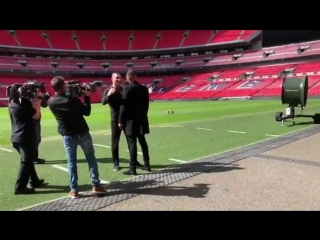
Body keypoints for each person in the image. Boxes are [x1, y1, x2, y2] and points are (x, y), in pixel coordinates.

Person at [48, 76, 106, 199]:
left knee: (71, 162)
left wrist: (68, 87)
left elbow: (64, 96)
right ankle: (96, 185)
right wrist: (87, 96)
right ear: (64, 86)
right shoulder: (73, 101)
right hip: (83, 133)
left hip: (68, 136)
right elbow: (87, 112)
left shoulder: (51, 102)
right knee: (91, 158)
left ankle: (74, 190)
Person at [101, 72, 142, 171]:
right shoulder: (107, 90)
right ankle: (116, 163)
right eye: (116, 78)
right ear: (112, 79)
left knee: (130, 140)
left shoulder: (124, 90)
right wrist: (109, 95)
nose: (118, 79)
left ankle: (134, 160)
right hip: (115, 120)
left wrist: (120, 94)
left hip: (126, 118)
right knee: (115, 142)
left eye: (120, 78)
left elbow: (127, 102)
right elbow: (103, 102)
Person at [9, 84, 44, 194]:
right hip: (25, 138)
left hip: (16, 137)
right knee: (26, 162)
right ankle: (20, 187)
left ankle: (34, 180)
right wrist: (37, 102)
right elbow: (37, 116)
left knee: (28, 160)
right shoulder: (23, 105)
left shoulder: (12, 103)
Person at [118, 69, 151, 176]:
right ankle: (147, 164)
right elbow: (146, 105)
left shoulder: (127, 88)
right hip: (141, 119)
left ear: (129, 77)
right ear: (135, 76)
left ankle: (133, 168)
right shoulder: (144, 89)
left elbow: (123, 106)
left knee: (132, 143)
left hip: (131, 121)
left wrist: (120, 120)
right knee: (143, 141)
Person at [32, 93, 48, 164]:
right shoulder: (30, 98)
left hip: (37, 121)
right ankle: (32, 157)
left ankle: (34, 157)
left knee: (37, 139)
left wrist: (43, 98)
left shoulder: (37, 97)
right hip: (32, 121)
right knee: (34, 140)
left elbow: (45, 105)